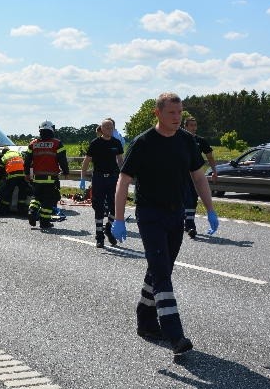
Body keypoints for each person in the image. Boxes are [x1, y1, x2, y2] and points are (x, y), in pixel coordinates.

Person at [111, 93, 219, 357]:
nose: (177, 118)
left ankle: (145, 320)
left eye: (180, 112)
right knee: (162, 273)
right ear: (158, 113)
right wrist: (119, 218)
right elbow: (123, 181)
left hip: (175, 216)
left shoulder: (187, 142)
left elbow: (198, 177)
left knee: (162, 269)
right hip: (150, 215)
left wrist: (211, 209)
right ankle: (174, 334)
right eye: (172, 113)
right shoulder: (143, 143)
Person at [80, 119, 124, 248]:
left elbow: (120, 160)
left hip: (113, 178)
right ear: (102, 129)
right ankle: (99, 237)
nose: (109, 129)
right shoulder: (95, 143)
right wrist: (83, 178)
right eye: (106, 127)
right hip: (99, 178)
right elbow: (87, 161)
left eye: (111, 127)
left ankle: (108, 228)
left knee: (114, 206)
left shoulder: (116, 143)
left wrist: (124, 176)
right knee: (98, 208)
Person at [23, 120, 70, 229]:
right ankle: (44, 222)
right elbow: (62, 160)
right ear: (51, 129)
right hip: (51, 179)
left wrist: (26, 174)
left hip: (37, 178)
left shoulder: (33, 144)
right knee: (48, 201)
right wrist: (66, 172)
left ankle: (31, 211)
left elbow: (27, 161)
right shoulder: (57, 143)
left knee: (36, 197)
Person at [182, 117, 218, 238]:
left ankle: (190, 224)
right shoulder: (177, 138)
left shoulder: (200, 141)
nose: (194, 128)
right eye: (191, 125)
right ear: (185, 126)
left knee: (192, 199)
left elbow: (210, 156)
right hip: (179, 175)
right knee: (181, 199)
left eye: (195, 125)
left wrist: (214, 171)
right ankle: (182, 221)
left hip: (194, 175)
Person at [0, 147, 30, 213]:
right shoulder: (17, 153)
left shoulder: (5, 156)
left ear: (3, 153)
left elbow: (1, 169)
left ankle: (4, 210)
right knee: (22, 192)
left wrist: (1, 177)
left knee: (8, 192)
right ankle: (21, 210)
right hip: (22, 175)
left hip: (12, 176)